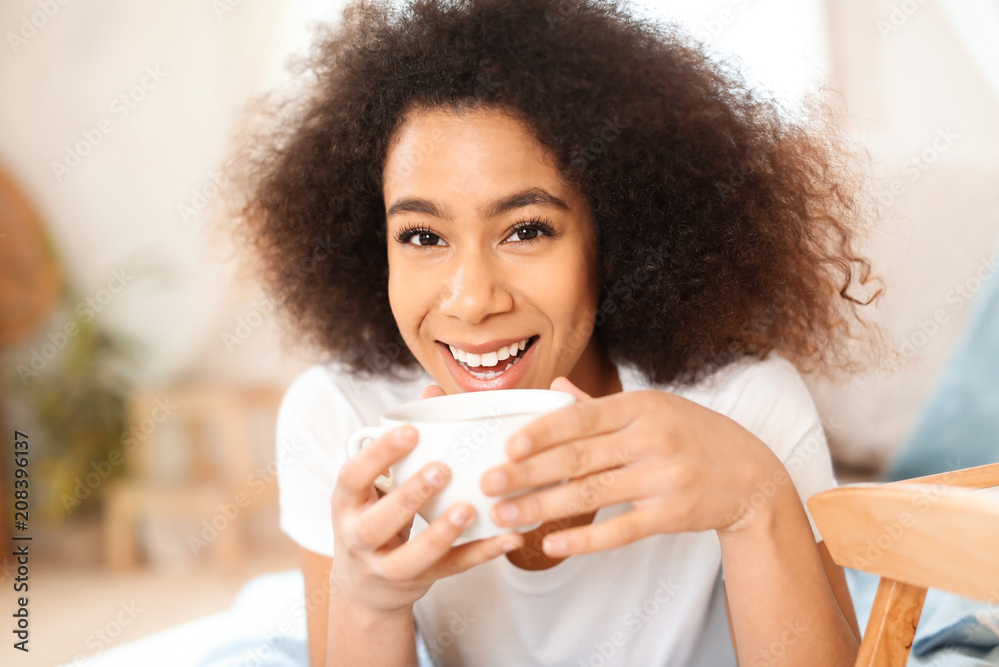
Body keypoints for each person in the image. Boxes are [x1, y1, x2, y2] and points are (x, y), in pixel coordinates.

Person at [232, 0, 887, 664]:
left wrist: (757, 498)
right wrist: (368, 602)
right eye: (423, 235)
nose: (472, 299)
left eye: (526, 229)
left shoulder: (745, 404)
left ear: (616, 236)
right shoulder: (341, 418)